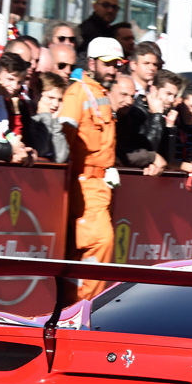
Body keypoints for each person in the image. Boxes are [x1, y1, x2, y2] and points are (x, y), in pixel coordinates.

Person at [61, 37, 121, 301]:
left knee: (85, 251)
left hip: (101, 184)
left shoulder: (99, 92)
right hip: (85, 183)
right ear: (92, 63)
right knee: (100, 242)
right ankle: (81, 310)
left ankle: (73, 310)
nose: (112, 69)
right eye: (107, 64)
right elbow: (64, 133)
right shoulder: (78, 92)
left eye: (116, 64)